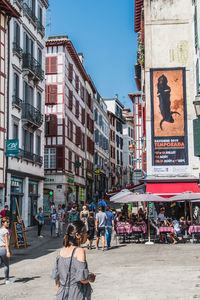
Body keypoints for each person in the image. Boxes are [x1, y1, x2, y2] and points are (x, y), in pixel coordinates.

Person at [51, 221, 96, 300]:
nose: (86, 235)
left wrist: (58, 294)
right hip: (77, 294)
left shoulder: (61, 251)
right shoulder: (79, 251)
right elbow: (82, 279)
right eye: (85, 232)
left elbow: (57, 279)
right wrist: (90, 277)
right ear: (77, 235)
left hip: (62, 294)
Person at [0, 217, 14, 284]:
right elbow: (6, 242)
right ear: (3, 223)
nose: (8, 223)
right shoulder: (5, 231)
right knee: (6, 264)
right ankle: (7, 280)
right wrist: (8, 251)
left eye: (8, 222)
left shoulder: (0, 230)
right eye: (7, 222)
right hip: (3, 248)